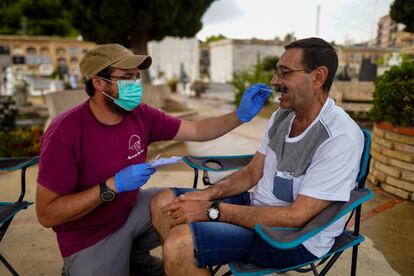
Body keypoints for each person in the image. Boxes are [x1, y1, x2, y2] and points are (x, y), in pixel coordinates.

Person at [35, 43, 272, 276]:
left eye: (137, 77)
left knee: (175, 203)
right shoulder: (65, 132)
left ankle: (155, 261)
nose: (136, 84)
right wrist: (111, 186)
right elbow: (47, 214)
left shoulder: (141, 114)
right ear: (98, 82)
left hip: (129, 211)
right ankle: (91, 264)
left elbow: (198, 130)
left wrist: (239, 115)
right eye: (127, 77)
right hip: (89, 235)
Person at [150, 37, 364, 275]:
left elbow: (296, 216)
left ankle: (179, 260)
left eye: (284, 73)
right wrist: (205, 195)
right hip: (259, 209)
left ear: (318, 77)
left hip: (294, 237)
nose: (274, 81)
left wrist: (213, 210)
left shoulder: (339, 136)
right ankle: (179, 268)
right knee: (163, 203)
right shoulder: (283, 116)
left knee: (180, 243)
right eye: (276, 73)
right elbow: (253, 172)